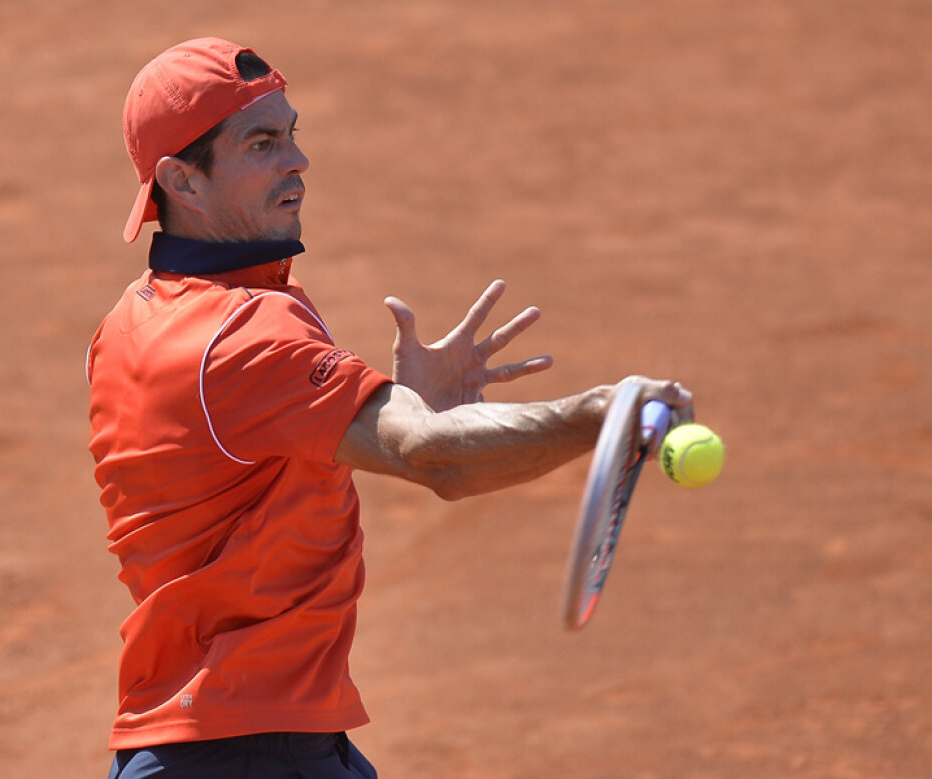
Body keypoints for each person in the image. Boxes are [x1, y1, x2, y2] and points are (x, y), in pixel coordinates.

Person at [87, 37, 694, 779]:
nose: (297, 161)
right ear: (182, 179)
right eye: (261, 143)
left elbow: (246, 463)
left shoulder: (129, 322)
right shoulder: (246, 329)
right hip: (255, 752)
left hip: (192, 740)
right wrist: (602, 414)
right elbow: (434, 457)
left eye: (292, 134)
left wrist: (407, 409)